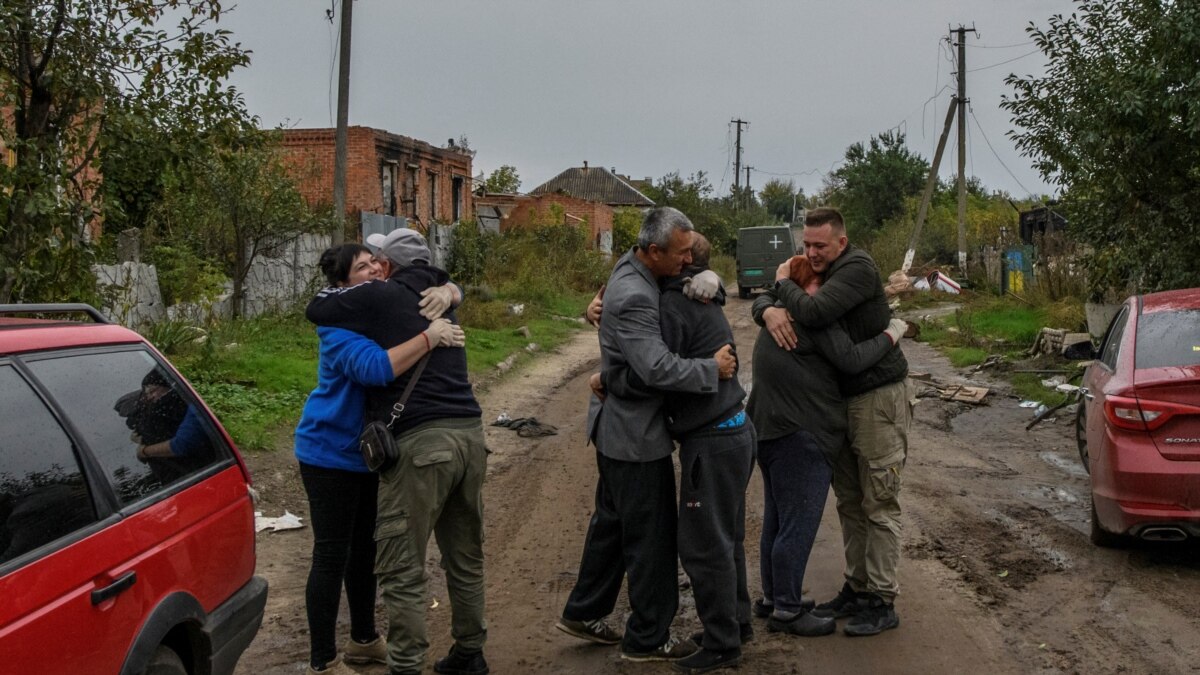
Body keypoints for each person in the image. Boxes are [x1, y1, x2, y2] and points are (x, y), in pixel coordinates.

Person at [555, 207, 736, 664]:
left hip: (616, 429)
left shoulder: (631, 264)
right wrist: (709, 369)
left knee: (612, 527)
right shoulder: (636, 293)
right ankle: (648, 638)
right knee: (651, 539)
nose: (686, 262)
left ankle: (584, 610)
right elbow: (656, 368)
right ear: (653, 250)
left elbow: (678, 285)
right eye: (680, 255)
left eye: (692, 254)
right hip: (634, 437)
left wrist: (712, 279)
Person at [306, 228, 488, 675]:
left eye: (375, 263)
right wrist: (446, 302)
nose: (372, 271)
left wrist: (450, 293)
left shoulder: (380, 298)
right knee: (462, 556)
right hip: (468, 434)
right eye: (362, 266)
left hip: (418, 443)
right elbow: (371, 365)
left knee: (400, 564)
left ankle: (405, 665)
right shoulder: (438, 297)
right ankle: (469, 653)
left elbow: (315, 308)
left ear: (387, 267)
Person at [597, 233, 754, 674]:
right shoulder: (699, 298)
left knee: (704, 547)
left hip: (712, 440)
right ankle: (736, 625)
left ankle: (723, 644)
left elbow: (654, 374)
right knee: (728, 540)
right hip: (734, 431)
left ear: (676, 265)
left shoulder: (670, 307)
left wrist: (609, 381)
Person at [761, 207, 912, 636]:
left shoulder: (858, 267)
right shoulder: (817, 269)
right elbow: (780, 304)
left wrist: (783, 285)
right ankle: (858, 586)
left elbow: (813, 311)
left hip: (878, 396)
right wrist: (767, 308)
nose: (812, 253)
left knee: (879, 500)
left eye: (820, 246)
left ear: (841, 242)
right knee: (849, 499)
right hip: (843, 402)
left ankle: (882, 600)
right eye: (806, 246)